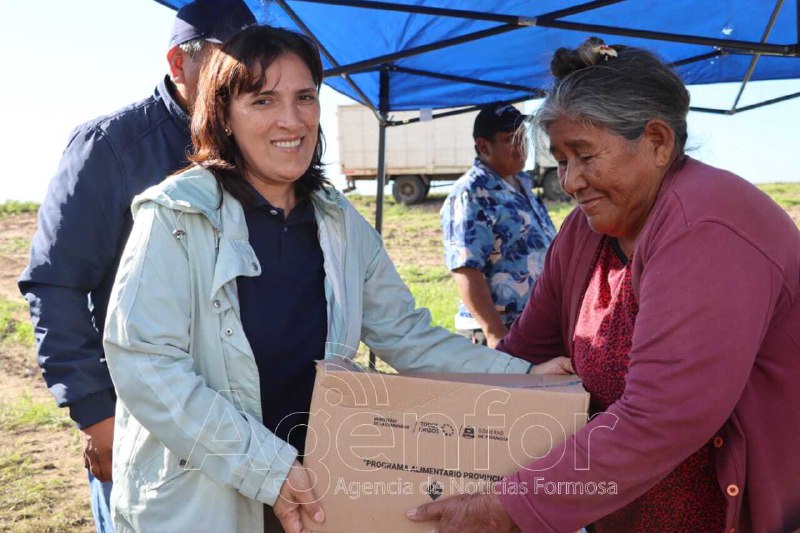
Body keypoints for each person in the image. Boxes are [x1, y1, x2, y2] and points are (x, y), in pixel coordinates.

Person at [102, 25, 568, 533]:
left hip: (319, 490)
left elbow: (407, 336)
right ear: (224, 116)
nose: (291, 119)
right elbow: (145, 362)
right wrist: (268, 469)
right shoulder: (176, 215)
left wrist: (522, 380)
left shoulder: (339, 223)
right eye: (263, 100)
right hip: (204, 499)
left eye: (305, 97)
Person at [408, 37, 800, 532]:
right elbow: (521, 357)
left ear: (657, 142)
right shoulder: (585, 232)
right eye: (561, 160)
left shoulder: (705, 225)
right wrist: (421, 435)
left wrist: (504, 509)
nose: (570, 181)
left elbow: (663, 417)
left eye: (584, 155)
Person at [17, 1, 255, 531]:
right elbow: (55, 283)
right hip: (144, 419)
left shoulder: (249, 144)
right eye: (223, 63)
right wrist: (95, 412)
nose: (239, 80)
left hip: (241, 423)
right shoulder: (111, 148)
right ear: (179, 64)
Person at [441, 103, 556, 348]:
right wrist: (494, 333)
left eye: (523, 137)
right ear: (483, 146)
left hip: (531, 325)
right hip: (498, 333)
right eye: (509, 139)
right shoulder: (471, 193)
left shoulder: (522, 184)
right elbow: (466, 269)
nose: (521, 147)